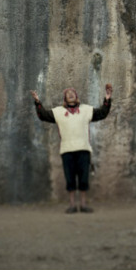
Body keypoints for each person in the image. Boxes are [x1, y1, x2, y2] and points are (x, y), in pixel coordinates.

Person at [31, 83, 113, 213]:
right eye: (67, 93)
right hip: (67, 150)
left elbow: (102, 113)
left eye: (72, 92)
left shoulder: (86, 110)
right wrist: (37, 102)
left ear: (77, 96)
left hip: (83, 149)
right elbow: (43, 115)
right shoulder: (58, 112)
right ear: (65, 98)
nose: (70, 94)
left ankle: (83, 205)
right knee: (70, 178)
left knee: (83, 178)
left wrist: (107, 99)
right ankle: (72, 205)